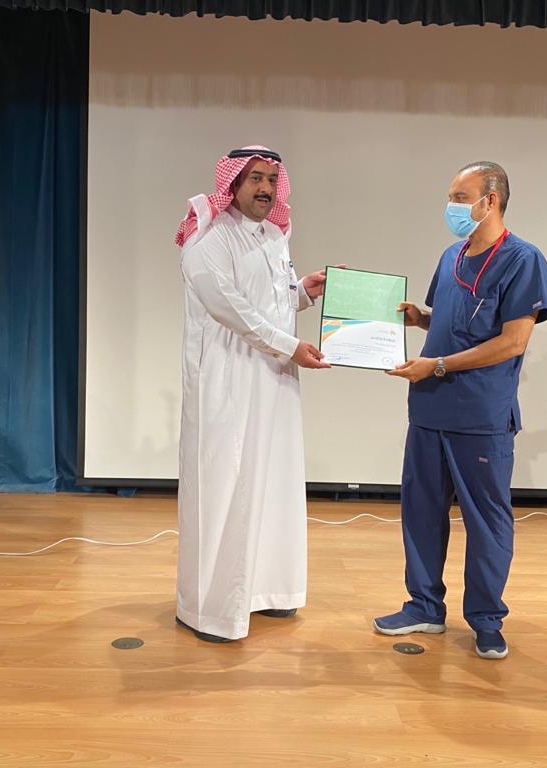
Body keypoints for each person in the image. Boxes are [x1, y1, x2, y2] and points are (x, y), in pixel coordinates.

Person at [375, 161, 547, 659]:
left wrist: (436, 366)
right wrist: (419, 319)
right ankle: (424, 607)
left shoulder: (523, 259)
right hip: (429, 411)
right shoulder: (451, 256)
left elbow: (513, 341)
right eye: (451, 197)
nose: (451, 207)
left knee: (486, 521)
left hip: (480, 416)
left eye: (459, 197)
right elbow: (452, 321)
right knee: (421, 512)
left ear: (489, 201)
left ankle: (487, 620)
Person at [174, 146, 331, 643]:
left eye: (271, 180)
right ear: (233, 184)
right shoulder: (208, 239)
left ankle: (268, 590)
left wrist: (302, 292)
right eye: (255, 179)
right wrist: (290, 346)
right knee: (226, 485)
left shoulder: (272, 236)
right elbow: (231, 308)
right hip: (227, 382)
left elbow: (269, 301)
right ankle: (212, 609)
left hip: (273, 378)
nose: (265, 188)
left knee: (274, 481)